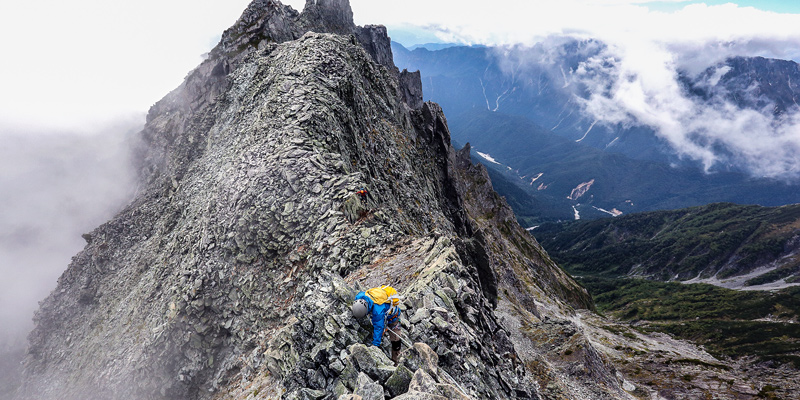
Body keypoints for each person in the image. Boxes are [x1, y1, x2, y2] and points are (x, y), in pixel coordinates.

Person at [351, 285, 402, 363]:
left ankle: (396, 361)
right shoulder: (360, 296)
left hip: (393, 317)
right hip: (383, 311)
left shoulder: (377, 311)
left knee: (396, 339)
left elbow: (379, 328)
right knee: (380, 323)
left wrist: (375, 345)